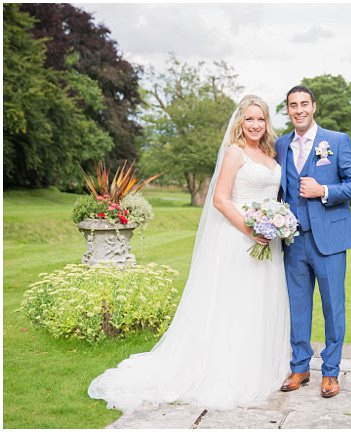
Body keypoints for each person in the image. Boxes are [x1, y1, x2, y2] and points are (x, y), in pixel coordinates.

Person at [88, 95, 290, 413]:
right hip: (239, 237)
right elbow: (221, 200)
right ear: (240, 121)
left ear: (267, 123)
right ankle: (227, 370)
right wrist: (253, 230)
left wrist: (274, 226)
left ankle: (260, 364)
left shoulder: (269, 153)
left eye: (260, 119)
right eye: (249, 119)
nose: (255, 125)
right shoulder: (234, 153)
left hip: (268, 240)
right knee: (235, 303)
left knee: (261, 302)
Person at [275, 86, 351, 398]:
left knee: (332, 307)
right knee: (297, 307)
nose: (299, 110)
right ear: (287, 110)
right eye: (292, 105)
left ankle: (330, 372)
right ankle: (300, 367)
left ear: (313, 106)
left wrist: (323, 192)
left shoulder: (337, 141)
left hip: (329, 240)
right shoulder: (280, 144)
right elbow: (278, 190)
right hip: (293, 241)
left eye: (304, 104)